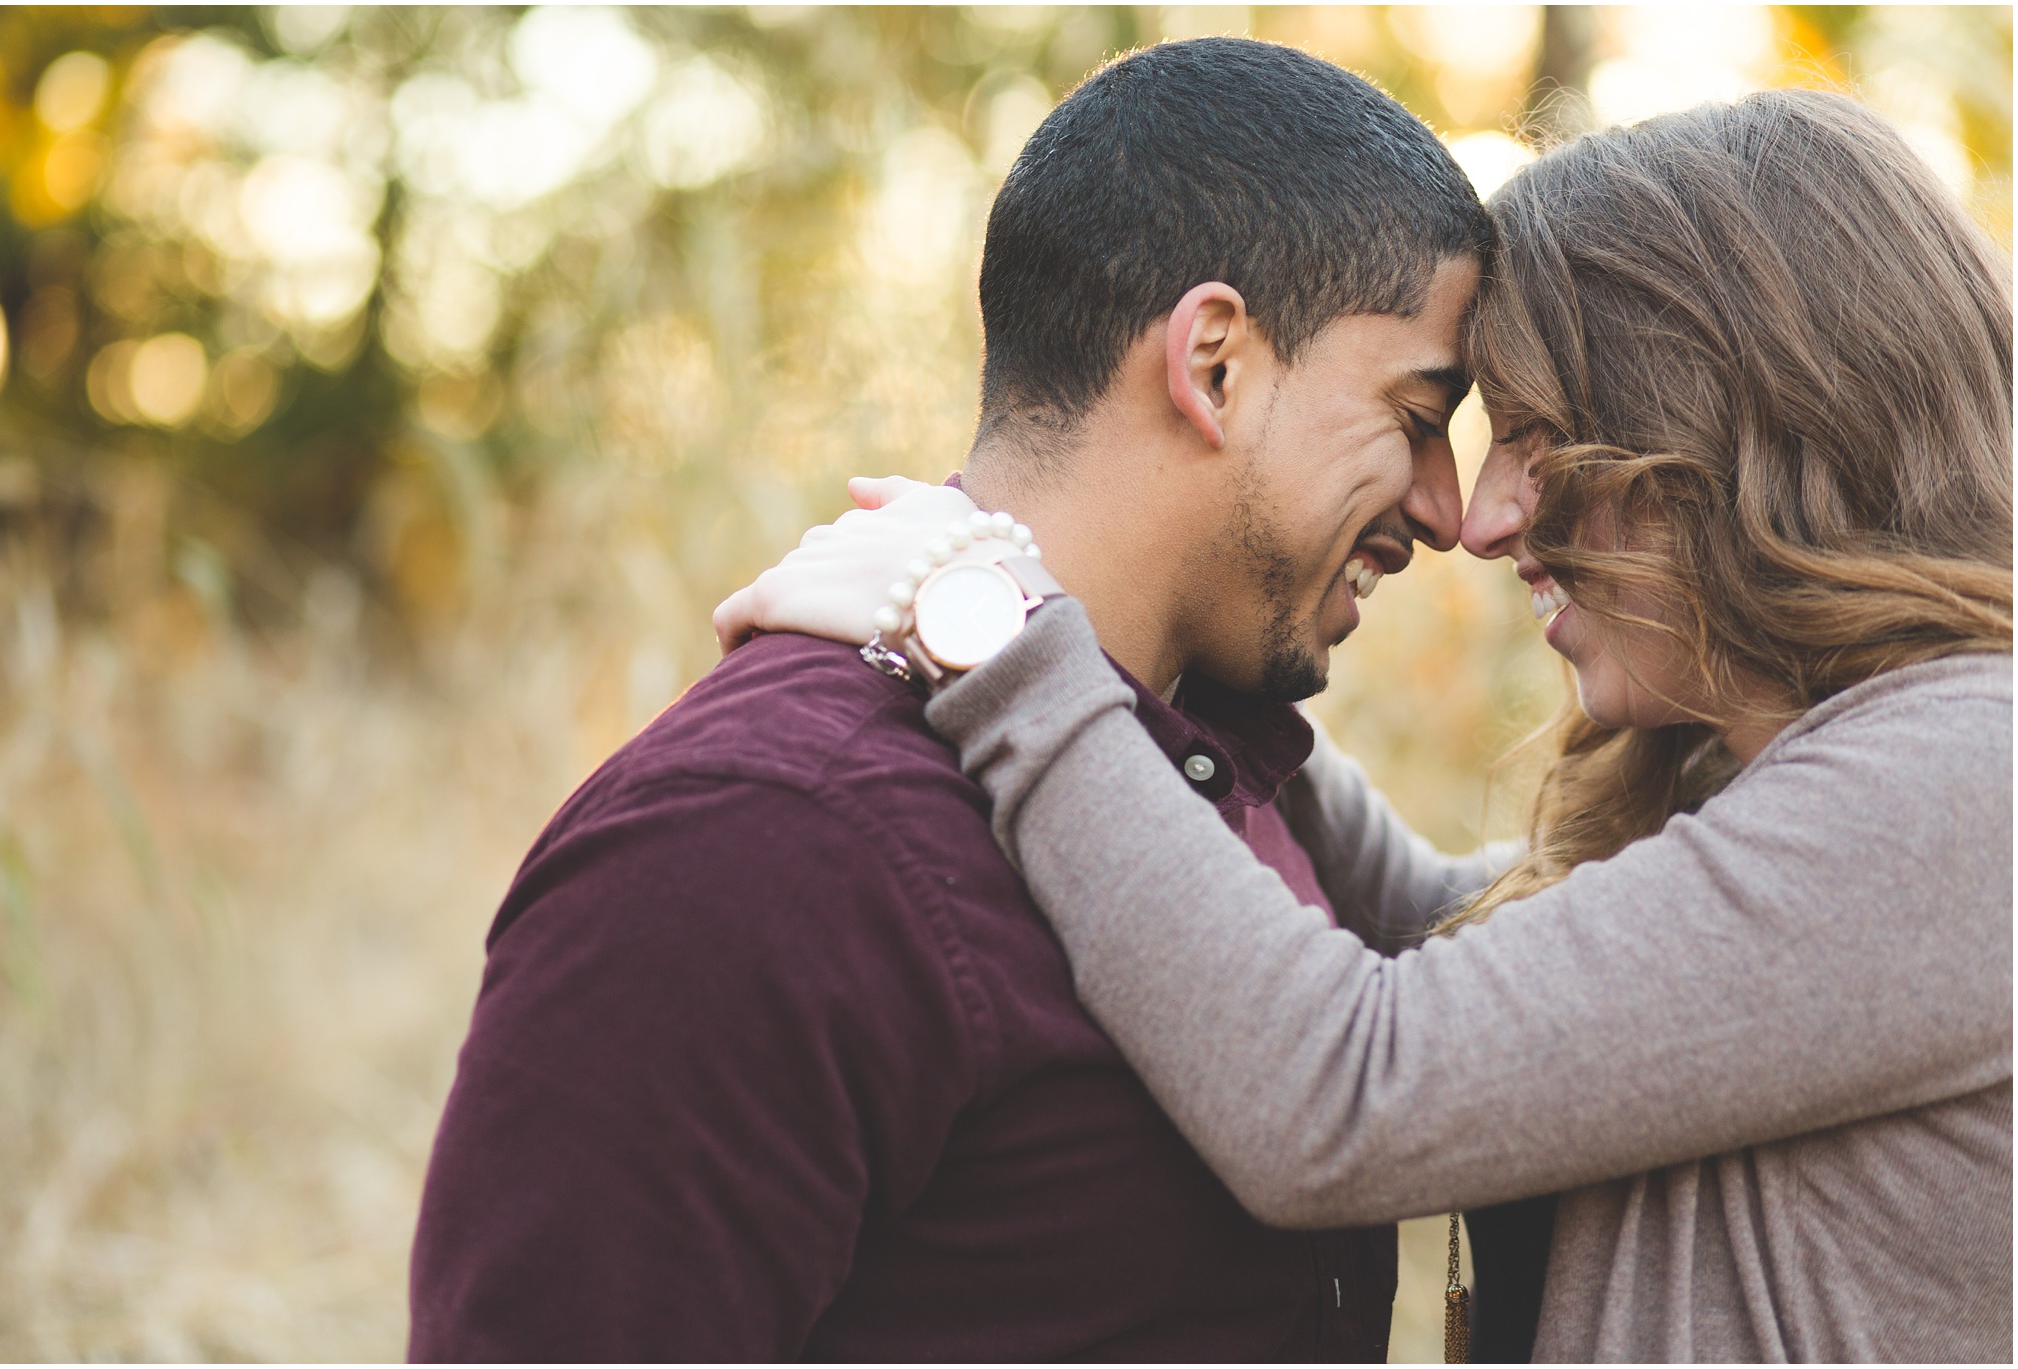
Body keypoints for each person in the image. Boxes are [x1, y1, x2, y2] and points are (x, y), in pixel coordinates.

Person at [721, 88, 2013, 1361]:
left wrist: (998, 639)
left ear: (1744, 435)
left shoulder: (1964, 789)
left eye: (1548, 442)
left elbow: (1347, 1087)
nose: (1490, 518)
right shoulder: (1862, 779)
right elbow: (1445, 925)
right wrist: (1164, 646)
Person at [409, 38, 1499, 1360]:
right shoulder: (758, 842)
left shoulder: (1221, 775)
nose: (1449, 511)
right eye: (1417, 413)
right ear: (1214, 363)